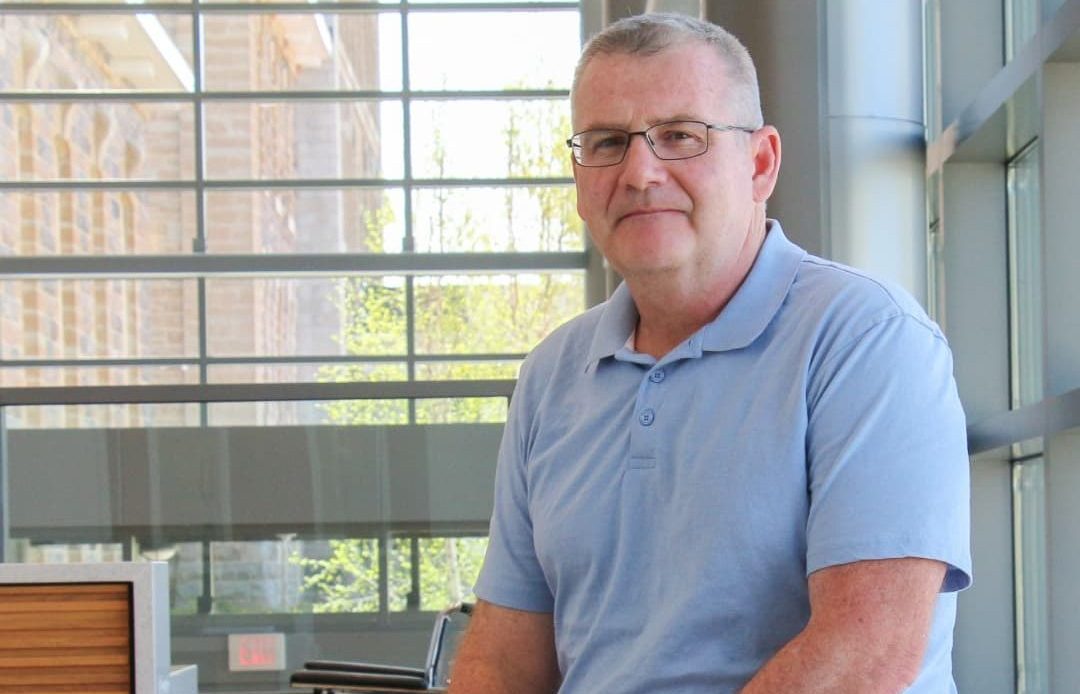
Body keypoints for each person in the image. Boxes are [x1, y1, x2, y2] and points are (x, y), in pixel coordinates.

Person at [449, 13, 971, 694]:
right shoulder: (552, 375)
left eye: (679, 136)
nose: (639, 172)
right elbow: (504, 661)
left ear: (760, 163)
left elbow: (860, 661)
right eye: (607, 142)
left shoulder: (869, 342)